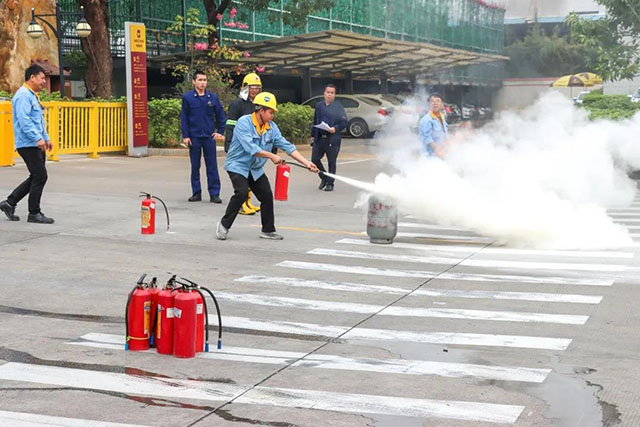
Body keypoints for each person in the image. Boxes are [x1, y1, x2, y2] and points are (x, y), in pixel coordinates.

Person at [216, 92, 318, 241]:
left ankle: (268, 230)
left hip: (255, 168)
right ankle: (223, 225)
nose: (272, 116)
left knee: (266, 196)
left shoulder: (272, 127)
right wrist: (272, 156)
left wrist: (307, 163)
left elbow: (287, 146)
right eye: (270, 112)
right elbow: (251, 149)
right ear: (260, 110)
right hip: (237, 165)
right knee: (242, 192)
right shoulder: (244, 123)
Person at [0, 64, 54, 224]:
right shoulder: (23, 95)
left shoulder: (31, 95)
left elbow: (38, 121)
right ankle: (34, 213)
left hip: (35, 142)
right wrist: (37, 138)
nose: (44, 81)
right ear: (32, 77)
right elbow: (24, 121)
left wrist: (46, 137)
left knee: (36, 176)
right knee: (40, 176)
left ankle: (9, 203)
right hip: (28, 143)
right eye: (42, 78)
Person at [180, 70, 226, 203]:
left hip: (209, 137)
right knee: (195, 166)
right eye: (200, 80)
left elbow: (221, 115)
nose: (202, 83)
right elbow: (184, 118)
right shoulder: (188, 97)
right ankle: (196, 193)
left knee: (212, 166)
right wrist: (186, 135)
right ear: (194, 81)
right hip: (194, 137)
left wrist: (220, 131)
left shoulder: (212, 98)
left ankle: (214, 193)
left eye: (204, 80)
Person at [225, 72, 262, 215]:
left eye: (258, 87)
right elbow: (230, 126)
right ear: (245, 87)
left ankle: (248, 202)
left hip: (253, 146)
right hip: (239, 147)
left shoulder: (259, 105)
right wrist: (229, 144)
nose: (255, 90)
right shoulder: (237, 104)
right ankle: (242, 204)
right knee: (242, 177)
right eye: (253, 87)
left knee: (250, 175)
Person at [310, 84, 347, 192]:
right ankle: (323, 177)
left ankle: (330, 183)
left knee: (331, 162)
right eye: (328, 92)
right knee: (315, 159)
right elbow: (315, 121)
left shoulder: (338, 107)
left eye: (332, 93)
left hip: (332, 138)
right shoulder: (319, 106)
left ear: (334, 95)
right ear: (324, 93)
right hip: (320, 137)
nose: (329, 94)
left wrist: (335, 128)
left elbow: (344, 122)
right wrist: (313, 135)